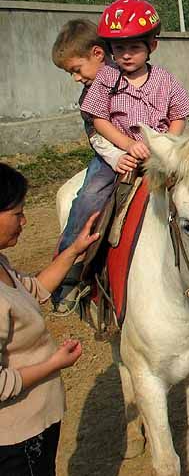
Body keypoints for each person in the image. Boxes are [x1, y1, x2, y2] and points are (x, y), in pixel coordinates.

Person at [0, 163, 99, 475]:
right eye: (17, 213)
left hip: (35, 427)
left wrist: (74, 251)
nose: (24, 221)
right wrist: (54, 363)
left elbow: (34, 288)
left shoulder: (1, 264)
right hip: (16, 441)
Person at [50, 19, 138, 313]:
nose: (75, 78)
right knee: (88, 198)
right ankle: (68, 273)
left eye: (76, 69)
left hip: (149, 147)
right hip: (111, 156)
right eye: (71, 72)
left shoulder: (136, 75)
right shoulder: (89, 95)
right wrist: (116, 157)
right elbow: (95, 135)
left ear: (98, 54)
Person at [80, 0, 189, 172]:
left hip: (165, 153)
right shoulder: (106, 77)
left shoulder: (165, 79)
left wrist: (167, 145)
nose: (126, 55)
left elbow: (178, 116)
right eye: (119, 48)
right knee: (91, 196)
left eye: (134, 48)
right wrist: (128, 145)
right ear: (111, 49)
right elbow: (99, 120)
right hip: (122, 154)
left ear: (152, 46)